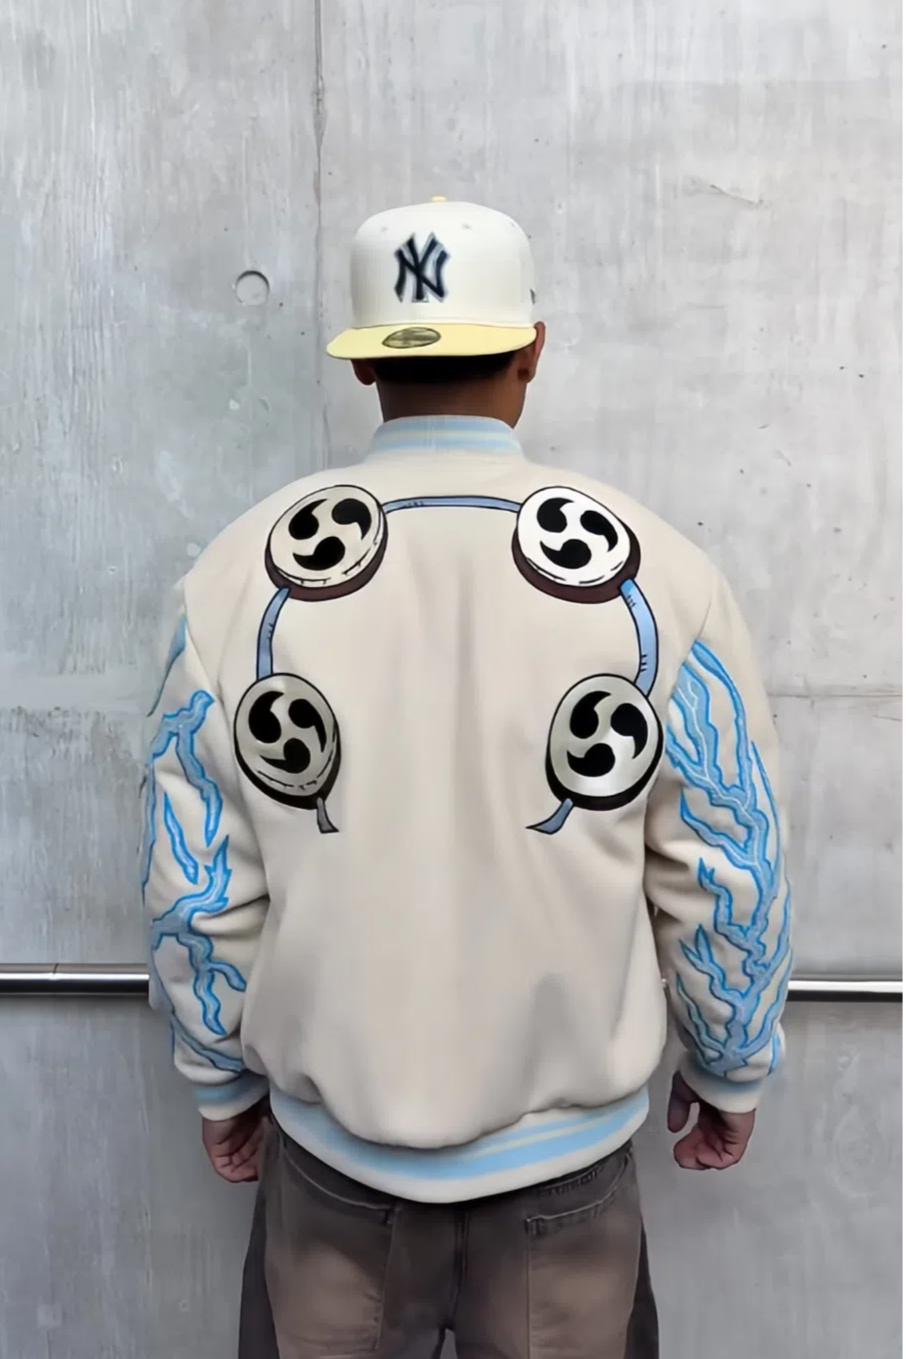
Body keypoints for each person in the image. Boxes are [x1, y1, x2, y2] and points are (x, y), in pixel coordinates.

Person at [142, 199, 793, 1358]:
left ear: (363, 362)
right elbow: (728, 865)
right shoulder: (664, 581)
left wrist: (217, 1077)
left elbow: (195, 885)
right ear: (532, 347)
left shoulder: (232, 581)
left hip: (330, 1170)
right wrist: (731, 1062)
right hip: (567, 1184)